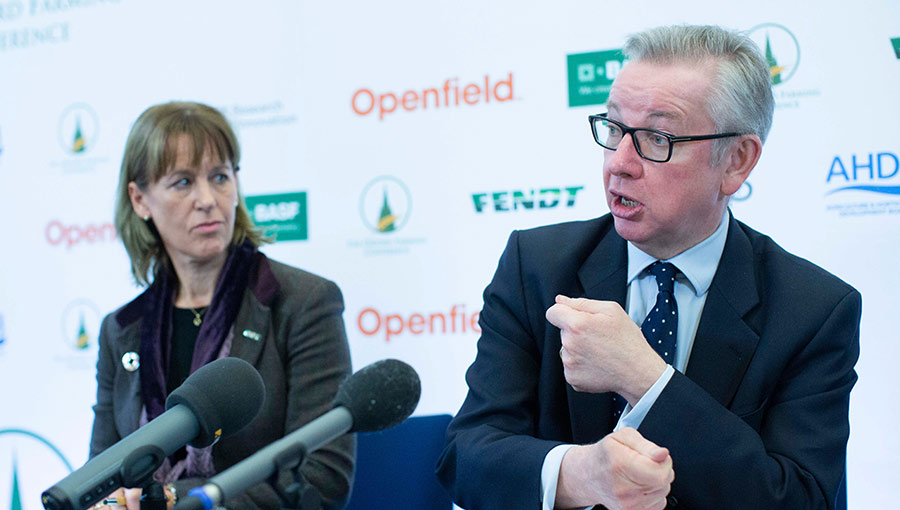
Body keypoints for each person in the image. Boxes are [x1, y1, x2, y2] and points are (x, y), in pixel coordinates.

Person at [437, 25, 860, 510]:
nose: (619, 163)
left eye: (658, 138)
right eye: (614, 129)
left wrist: (647, 380)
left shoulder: (813, 310)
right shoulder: (536, 266)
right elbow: (466, 456)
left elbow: (799, 499)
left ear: (736, 162)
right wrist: (581, 474)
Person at [90, 101, 354, 510]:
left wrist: (173, 500)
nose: (207, 199)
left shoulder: (303, 303)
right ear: (140, 200)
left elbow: (322, 476)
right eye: (183, 182)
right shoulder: (120, 330)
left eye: (219, 177)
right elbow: (97, 480)